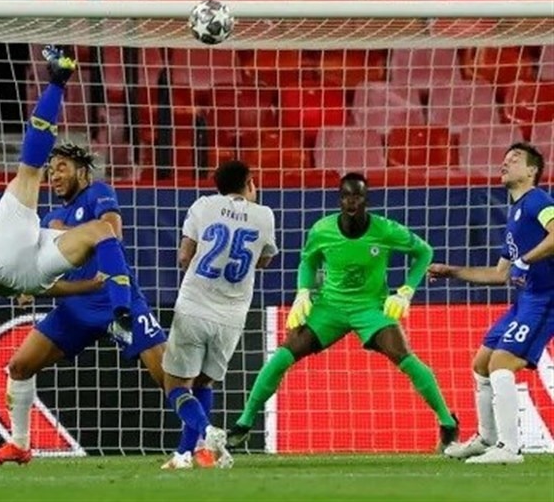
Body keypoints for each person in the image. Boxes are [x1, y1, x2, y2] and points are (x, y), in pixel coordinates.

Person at [226, 172, 460, 451]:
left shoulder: (385, 230)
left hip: (370, 308)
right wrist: (303, 292)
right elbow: (308, 262)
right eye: (346, 196)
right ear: (340, 199)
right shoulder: (322, 230)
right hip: (330, 308)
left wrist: (407, 290)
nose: (351, 201)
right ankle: (243, 423)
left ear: (366, 199)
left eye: (357, 196)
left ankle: (448, 423)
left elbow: (424, 252)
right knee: (283, 355)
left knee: (405, 358)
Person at [0, 142, 167, 466]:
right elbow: (40, 267)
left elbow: (113, 232)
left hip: (116, 303)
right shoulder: (50, 217)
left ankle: (202, 439)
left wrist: (64, 231)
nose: (53, 176)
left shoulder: (97, 193)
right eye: (50, 171)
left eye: (61, 168)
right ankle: (19, 445)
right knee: (20, 367)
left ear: (81, 171)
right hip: (76, 308)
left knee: (167, 376)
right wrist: (27, 287)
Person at [0, 46, 133, 328]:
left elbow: (41, 286)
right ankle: (58, 79)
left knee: (101, 230)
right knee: (29, 173)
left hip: (30, 275)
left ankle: (122, 313)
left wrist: (89, 286)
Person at [431, 143, 554, 465]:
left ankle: (510, 448)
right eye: (505, 158)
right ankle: (487, 438)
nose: (505, 162)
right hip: (525, 300)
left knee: (501, 363)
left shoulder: (538, 200)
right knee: (482, 363)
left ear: (532, 171)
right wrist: (452, 271)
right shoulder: (515, 214)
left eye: (515, 159)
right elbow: (500, 274)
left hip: (546, 299)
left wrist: (525, 261)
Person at [161, 160, 278, 470]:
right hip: (232, 316)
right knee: (204, 383)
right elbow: (264, 260)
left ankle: (206, 431)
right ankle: (184, 455)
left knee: (176, 386)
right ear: (250, 183)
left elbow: (184, 256)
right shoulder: (265, 215)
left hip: (194, 306)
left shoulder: (203, 206)